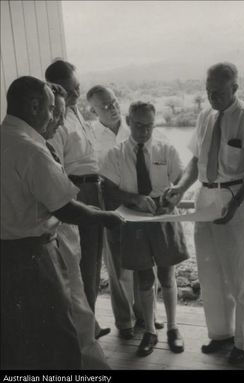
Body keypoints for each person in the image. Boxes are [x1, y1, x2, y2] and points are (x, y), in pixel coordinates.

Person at [0, 76, 123, 369]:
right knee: (58, 332)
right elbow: (66, 209)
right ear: (33, 106)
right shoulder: (29, 149)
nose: (55, 116)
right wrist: (105, 216)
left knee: (18, 336)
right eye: (50, 109)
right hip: (32, 254)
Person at [163, 62, 244, 364]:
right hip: (204, 195)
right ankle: (221, 333)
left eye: (218, 92)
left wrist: (234, 204)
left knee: (240, 271)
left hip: (236, 195)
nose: (212, 98)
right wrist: (181, 189)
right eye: (208, 92)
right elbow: (196, 160)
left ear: (235, 87)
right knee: (209, 269)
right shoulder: (206, 116)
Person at [100, 101, 189, 357]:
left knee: (167, 275)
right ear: (128, 122)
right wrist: (133, 198)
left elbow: (182, 179)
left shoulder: (166, 149)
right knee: (144, 278)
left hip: (162, 216)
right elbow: (107, 188)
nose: (144, 131)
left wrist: (175, 195)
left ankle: (173, 328)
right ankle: (150, 331)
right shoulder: (116, 154)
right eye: (139, 125)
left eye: (149, 125)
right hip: (133, 220)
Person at [87, 85, 163, 339]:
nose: (112, 109)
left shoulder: (133, 127)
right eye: (105, 106)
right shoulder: (91, 135)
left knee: (146, 260)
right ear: (93, 110)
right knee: (119, 266)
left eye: (114, 102)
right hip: (112, 202)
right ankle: (125, 321)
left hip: (141, 204)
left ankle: (147, 315)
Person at [44, 83, 110, 369]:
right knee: (78, 270)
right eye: (72, 87)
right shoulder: (53, 126)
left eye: (76, 87)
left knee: (92, 263)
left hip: (92, 189)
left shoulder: (75, 113)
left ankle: (90, 324)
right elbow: (58, 168)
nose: (76, 92)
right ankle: (84, 336)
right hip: (75, 193)